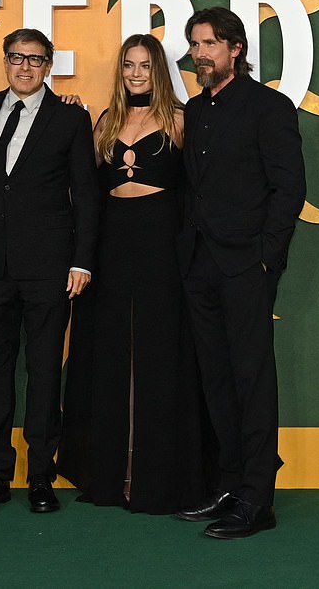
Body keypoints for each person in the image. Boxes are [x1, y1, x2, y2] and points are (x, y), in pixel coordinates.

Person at [58, 34, 205, 514]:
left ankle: (156, 480)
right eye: (128, 65)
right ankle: (110, 476)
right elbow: (87, 187)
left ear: (158, 69)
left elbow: (197, 192)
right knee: (110, 353)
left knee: (161, 355)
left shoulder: (182, 120)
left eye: (145, 65)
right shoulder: (106, 121)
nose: (136, 73)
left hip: (163, 244)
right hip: (112, 245)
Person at [174, 7, 306, 538]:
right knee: (217, 376)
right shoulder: (195, 109)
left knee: (252, 378)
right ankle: (230, 485)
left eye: (209, 44)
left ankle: (258, 499)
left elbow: (288, 187)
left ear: (235, 48)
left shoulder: (270, 107)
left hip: (246, 264)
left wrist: (266, 256)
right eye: (194, 45)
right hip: (201, 263)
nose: (200, 54)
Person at [0, 28, 100, 514]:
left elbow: (85, 195)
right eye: (17, 58)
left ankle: (41, 475)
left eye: (35, 60)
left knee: (43, 374)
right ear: (5, 61)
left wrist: (82, 259)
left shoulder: (71, 118)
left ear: (49, 65)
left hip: (50, 269)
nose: (25, 67)